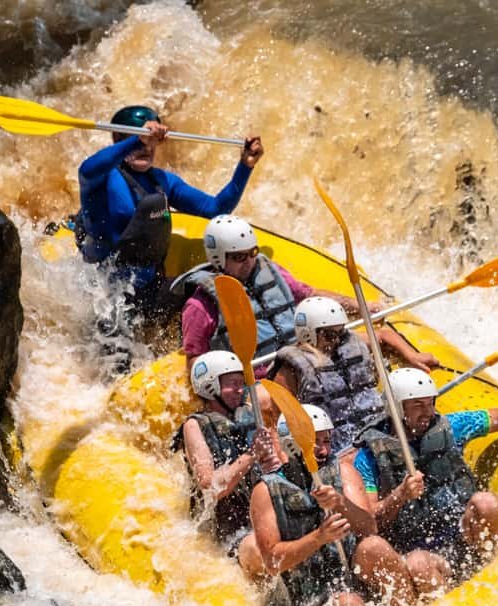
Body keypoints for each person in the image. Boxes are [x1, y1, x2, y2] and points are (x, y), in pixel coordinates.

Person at [349, 368, 498, 596]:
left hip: (463, 532)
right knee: (417, 563)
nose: (428, 412)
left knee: (486, 502)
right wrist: (401, 494)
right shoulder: (368, 458)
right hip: (418, 549)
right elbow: (370, 521)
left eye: (430, 403)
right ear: (396, 408)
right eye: (418, 406)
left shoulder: (451, 426)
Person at [76, 105, 264, 316]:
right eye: (138, 138)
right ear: (120, 140)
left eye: (151, 141)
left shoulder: (163, 181)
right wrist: (137, 141)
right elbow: (87, 168)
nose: (146, 148)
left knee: (210, 294)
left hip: (151, 289)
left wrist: (245, 166)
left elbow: (216, 208)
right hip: (108, 297)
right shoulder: (101, 180)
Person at [251, 404, 418, 606]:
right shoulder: (265, 491)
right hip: (310, 596)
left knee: (374, 547)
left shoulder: (343, 471)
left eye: (327, 441)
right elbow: (273, 561)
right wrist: (319, 537)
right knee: (347, 605)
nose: (324, 451)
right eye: (315, 443)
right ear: (292, 445)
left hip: (351, 575)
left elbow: (370, 528)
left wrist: (339, 503)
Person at [177, 214, 380, 374]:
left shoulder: (269, 271)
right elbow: (195, 360)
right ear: (218, 258)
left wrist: (361, 307)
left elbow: (309, 294)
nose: (249, 261)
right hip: (265, 377)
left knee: (380, 339)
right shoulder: (200, 306)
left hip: (304, 355)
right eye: (239, 257)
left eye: (252, 253)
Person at [273, 296, 439, 454]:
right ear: (307, 333)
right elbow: (276, 418)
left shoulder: (349, 342)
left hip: (379, 431)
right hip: (342, 448)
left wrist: (412, 356)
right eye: (330, 335)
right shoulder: (291, 369)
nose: (337, 341)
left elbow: (384, 335)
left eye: (341, 333)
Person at [173, 350, 280, 577]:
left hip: (270, 514)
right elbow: (210, 487)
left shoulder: (252, 415)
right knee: (258, 549)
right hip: (234, 530)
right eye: (233, 384)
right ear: (210, 385)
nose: (240, 390)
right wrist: (252, 455)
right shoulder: (194, 425)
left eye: (241, 383)